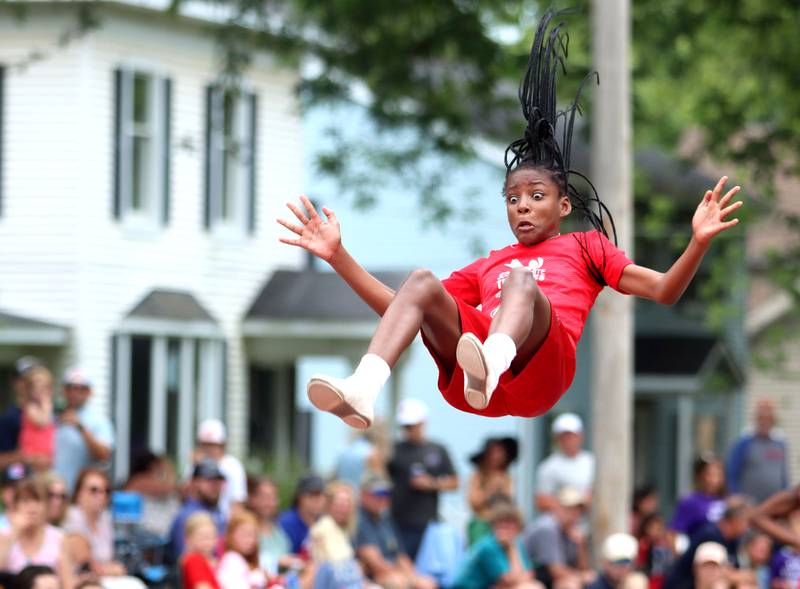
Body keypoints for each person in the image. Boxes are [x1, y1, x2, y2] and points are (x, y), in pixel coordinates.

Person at [277, 10, 743, 431]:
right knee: (420, 283)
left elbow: (664, 291)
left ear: (563, 207)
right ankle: (364, 387)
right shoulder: (488, 265)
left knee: (522, 283)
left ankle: (494, 358)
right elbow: (402, 311)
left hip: (543, 370)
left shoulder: (586, 247)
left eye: (535, 196)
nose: (521, 206)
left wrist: (698, 242)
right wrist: (338, 256)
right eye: (512, 198)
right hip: (477, 388)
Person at [387, 398, 458, 560]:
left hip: (428, 524)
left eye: (411, 425)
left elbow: (455, 482)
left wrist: (431, 484)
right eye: (405, 426)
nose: (408, 430)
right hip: (398, 522)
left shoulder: (437, 450)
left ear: (422, 423)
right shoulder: (394, 450)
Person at [355, 473, 436, 589]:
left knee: (427, 583)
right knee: (398, 583)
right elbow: (375, 563)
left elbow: (401, 555)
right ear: (363, 494)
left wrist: (412, 576)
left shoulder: (385, 519)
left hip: (392, 572)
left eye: (386, 493)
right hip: (371, 576)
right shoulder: (359, 520)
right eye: (378, 493)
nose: (383, 498)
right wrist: (405, 577)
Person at [662, 496, 752, 589]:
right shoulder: (710, 535)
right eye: (746, 522)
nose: (748, 528)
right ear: (736, 520)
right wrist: (741, 576)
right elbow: (716, 573)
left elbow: (736, 569)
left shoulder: (733, 539)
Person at [53, 369, 114, 495]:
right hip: (52, 492)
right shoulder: (51, 416)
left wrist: (80, 427)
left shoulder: (99, 420)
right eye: (70, 387)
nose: (75, 393)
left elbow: (104, 455)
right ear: (64, 390)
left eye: (81, 388)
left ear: (89, 392)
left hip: (80, 494)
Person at [453, 502, 538, 589]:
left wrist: (512, 548)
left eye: (509, 523)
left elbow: (530, 573)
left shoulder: (517, 542)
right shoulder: (488, 546)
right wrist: (512, 549)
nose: (504, 527)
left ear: (518, 526)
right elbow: (509, 581)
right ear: (493, 526)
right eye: (500, 523)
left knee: (534, 586)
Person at [523, 486, 594, 589]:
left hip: (549, 580)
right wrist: (582, 576)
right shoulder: (547, 528)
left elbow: (583, 569)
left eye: (577, 509)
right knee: (570, 585)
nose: (574, 513)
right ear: (556, 507)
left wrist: (580, 544)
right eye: (569, 508)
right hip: (531, 579)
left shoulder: (573, 531)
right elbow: (557, 572)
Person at [63, 468, 127, 577]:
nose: (101, 495)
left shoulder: (105, 517)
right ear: (79, 493)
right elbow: (85, 564)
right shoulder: (72, 516)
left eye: (106, 491)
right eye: (94, 490)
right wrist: (113, 570)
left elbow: (109, 560)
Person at [726, 399, 788, 504]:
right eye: (762, 418)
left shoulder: (779, 442)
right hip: (749, 502)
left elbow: (783, 474)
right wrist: (735, 493)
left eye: (769, 418)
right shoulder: (744, 441)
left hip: (774, 503)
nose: (765, 421)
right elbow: (732, 471)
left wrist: (785, 495)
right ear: (756, 419)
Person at [0, 479, 65, 574]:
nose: (32, 507)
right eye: (25, 501)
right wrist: (13, 533)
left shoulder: (59, 538)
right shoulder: (3, 536)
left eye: (37, 500)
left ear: (46, 506)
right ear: (16, 506)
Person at [169, 459, 227, 562]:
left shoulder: (217, 511)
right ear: (194, 482)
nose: (215, 486)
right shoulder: (187, 515)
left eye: (218, 481)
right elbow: (184, 559)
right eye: (209, 480)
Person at [535, 414, 593, 514]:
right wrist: (569, 506)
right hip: (560, 527)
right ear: (557, 439)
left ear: (580, 436)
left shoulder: (591, 462)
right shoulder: (549, 466)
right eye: (564, 436)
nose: (568, 440)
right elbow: (541, 500)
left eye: (571, 436)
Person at [190, 419, 247, 518]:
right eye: (205, 444)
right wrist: (196, 467)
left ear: (223, 445)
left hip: (224, 521)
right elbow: (186, 496)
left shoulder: (233, 466)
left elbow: (238, 504)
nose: (208, 449)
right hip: (197, 520)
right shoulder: (196, 463)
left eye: (212, 445)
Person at [0, 357, 48, 472]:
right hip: (20, 481)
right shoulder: (9, 417)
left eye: (37, 380)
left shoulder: (53, 414)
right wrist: (24, 456)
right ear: (15, 383)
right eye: (26, 380)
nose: (33, 385)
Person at [467, 437, 517, 545]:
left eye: (500, 452)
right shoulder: (476, 477)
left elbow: (508, 502)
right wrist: (491, 488)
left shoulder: (506, 478)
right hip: (481, 523)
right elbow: (473, 503)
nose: (496, 457)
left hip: (502, 524)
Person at [246, 476, 297, 576]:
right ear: (252, 499)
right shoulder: (245, 529)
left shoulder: (279, 533)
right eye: (264, 497)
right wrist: (278, 562)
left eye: (273, 497)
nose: (269, 503)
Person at [124, 451, 180, 538]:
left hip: (155, 535)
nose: (160, 472)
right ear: (151, 467)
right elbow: (168, 487)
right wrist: (168, 467)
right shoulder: (138, 481)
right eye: (158, 467)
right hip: (143, 535)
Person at [670, 455, 727, 542]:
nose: (714, 479)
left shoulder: (727, 501)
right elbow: (673, 534)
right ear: (700, 476)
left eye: (718, 474)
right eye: (710, 474)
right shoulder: (690, 502)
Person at [217, 510, 267, 589]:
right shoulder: (231, 559)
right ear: (231, 535)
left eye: (253, 535)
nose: (250, 540)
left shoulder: (250, 561)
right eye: (245, 534)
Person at [17, 367, 56, 471]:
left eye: (43, 388)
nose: (39, 391)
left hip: (45, 456)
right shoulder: (30, 407)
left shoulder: (46, 408)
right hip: (32, 454)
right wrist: (46, 404)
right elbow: (42, 421)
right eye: (36, 388)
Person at [278, 474, 327, 555]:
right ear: (300, 497)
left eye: (322, 495)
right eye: (313, 494)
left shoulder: (324, 522)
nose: (318, 499)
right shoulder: (285, 522)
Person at [180, 512, 221, 589]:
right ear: (188, 539)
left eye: (210, 536)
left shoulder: (216, 561)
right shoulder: (194, 560)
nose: (207, 541)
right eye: (201, 536)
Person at [635, 513, 674, 589]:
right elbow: (640, 564)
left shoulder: (666, 544)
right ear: (646, 529)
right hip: (650, 580)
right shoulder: (644, 544)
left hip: (665, 580)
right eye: (652, 528)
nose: (656, 532)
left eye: (659, 528)